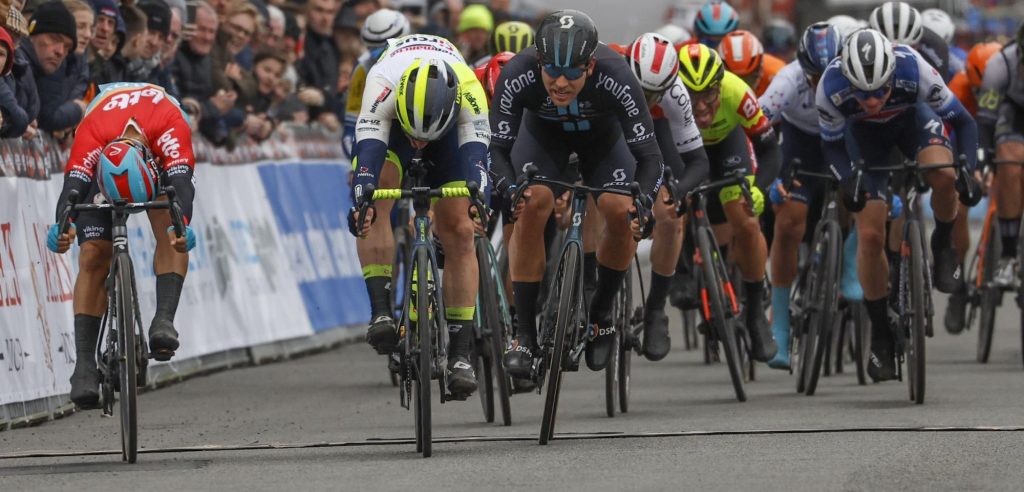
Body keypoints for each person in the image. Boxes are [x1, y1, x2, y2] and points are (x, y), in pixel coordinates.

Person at [490, 10, 662, 380]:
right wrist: (509, 189)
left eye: (573, 73)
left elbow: (650, 157)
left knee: (620, 211)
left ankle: (601, 315)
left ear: (591, 66)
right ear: (538, 61)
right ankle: (523, 334)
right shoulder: (517, 74)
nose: (561, 83)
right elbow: (498, 151)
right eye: (552, 71)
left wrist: (643, 204)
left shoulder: (617, 75)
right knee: (531, 204)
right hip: (543, 139)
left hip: (603, 141)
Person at [817, 29, 977, 381]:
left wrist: (968, 168)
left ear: (892, 74)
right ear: (848, 80)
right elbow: (830, 148)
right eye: (862, 93)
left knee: (945, 175)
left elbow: (962, 122)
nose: (872, 101)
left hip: (911, 125)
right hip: (864, 141)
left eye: (879, 91)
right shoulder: (829, 87)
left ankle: (943, 243)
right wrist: (847, 180)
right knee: (871, 235)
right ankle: (880, 334)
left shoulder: (914, 68)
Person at [346, 33, 489, 398]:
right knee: (376, 199)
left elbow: (476, 161)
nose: (419, 146)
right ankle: (381, 311)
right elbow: (368, 153)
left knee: (459, 229)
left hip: (450, 135)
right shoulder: (381, 83)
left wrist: (479, 199)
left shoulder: (470, 90)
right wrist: (362, 196)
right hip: (391, 128)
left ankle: (460, 355)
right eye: (417, 137)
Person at [46, 81, 197, 408]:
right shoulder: (93, 131)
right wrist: (63, 226)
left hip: (153, 154)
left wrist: (182, 226)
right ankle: (84, 363)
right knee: (93, 256)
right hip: (106, 155)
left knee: (170, 226)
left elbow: (182, 183)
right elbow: (73, 185)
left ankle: (164, 320)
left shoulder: (169, 123)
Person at [618, 33, 709, 361]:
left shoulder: (674, 95)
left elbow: (698, 162)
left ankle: (656, 310)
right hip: (612, 131)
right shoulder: (609, 70)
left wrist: (679, 191)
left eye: (654, 92)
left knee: (671, 214)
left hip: (655, 137)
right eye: (641, 89)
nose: (646, 97)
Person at [759, 23, 843, 369]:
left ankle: (848, 262)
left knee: (861, 199)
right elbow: (756, 128)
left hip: (841, 140)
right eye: (813, 76)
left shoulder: (851, 75)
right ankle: (779, 324)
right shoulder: (787, 81)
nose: (820, 84)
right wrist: (767, 179)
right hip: (801, 144)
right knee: (790, 223)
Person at [942, 41, 1001, 334]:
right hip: (966, 139)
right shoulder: (959, 86)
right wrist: (965, 171)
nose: (983, 95)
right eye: (978, 90)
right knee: (960, 207)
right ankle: (959, 282)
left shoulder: (1011, 78)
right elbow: (945, 134)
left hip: (1002, 131)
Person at [977, 25, 1024, 290]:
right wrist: (985, 158)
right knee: (1009, 159)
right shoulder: (1001, 63)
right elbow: (985, 119)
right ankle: (1008, 254)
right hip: (1012, 113)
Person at [341, 7, 408, 158]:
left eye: (385, 47)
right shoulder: (363, 68)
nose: (380, 56)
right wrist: (357, 163)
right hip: (382, 137)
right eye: (373, 48)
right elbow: (350, 130)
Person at [718, 29, 785, 97]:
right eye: (735, 79)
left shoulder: (778, 74)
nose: (743, 88)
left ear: (760, 70)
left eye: (748, 79)